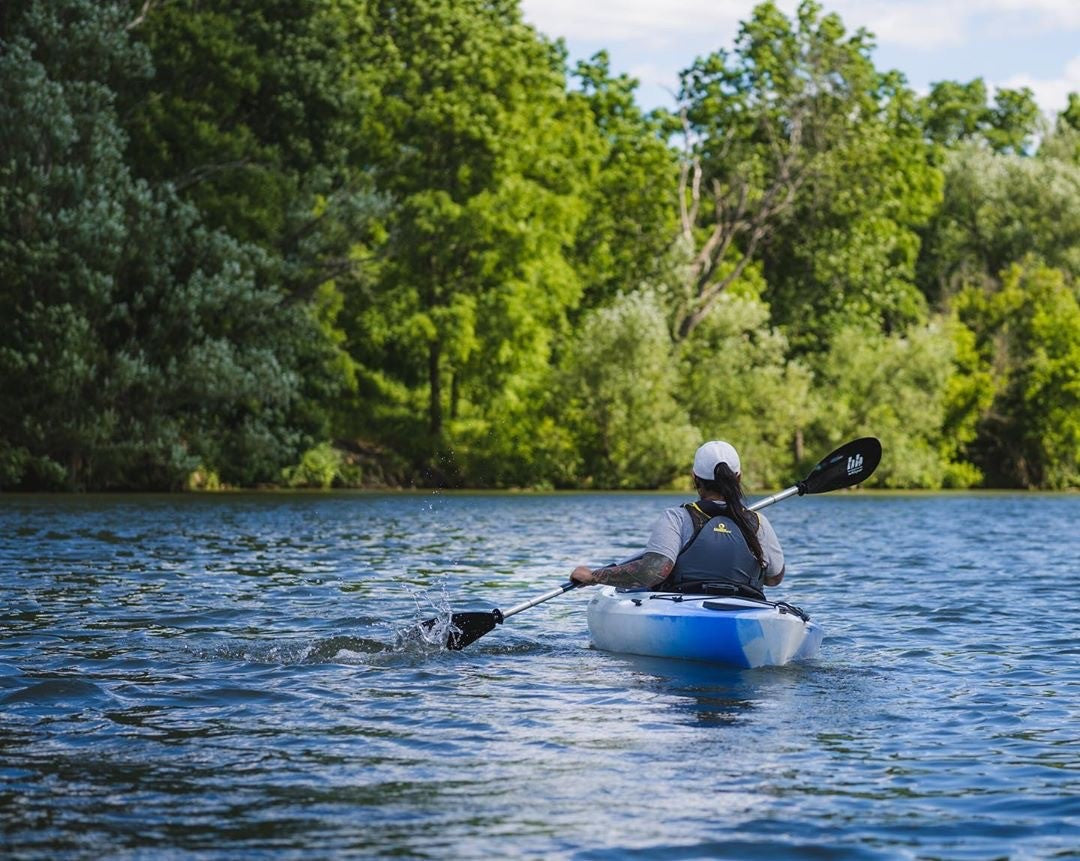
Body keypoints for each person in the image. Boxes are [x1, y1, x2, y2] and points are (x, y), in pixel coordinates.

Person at [570, 440, 785, 597]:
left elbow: (651, 572)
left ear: (695, 478)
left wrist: (594, 577)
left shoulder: (677, 518)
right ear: (738, 478)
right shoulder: (758, 522)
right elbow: (774, 578)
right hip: (746, 607)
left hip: (683, 606)